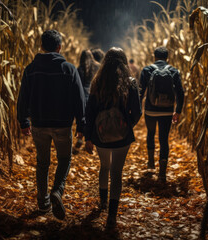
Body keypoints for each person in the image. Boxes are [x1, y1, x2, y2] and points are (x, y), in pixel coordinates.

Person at [17, 30, 85, 219]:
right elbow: (79, 99)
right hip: (63, 125)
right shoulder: (69, 69)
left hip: (39, 124)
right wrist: (81, 124)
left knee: (42, 163)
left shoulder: (31, 69)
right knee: (64, 159)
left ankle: (43, 202)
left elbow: (23, 98)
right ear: (59, 47)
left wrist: (23, 120)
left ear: (41, 47)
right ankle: (57, 190)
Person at [84, 47, 142, 228]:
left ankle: (102, 203)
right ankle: (112, 215)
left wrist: (88, 137)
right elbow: (137, 112)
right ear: (124, 62)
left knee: (105, 167)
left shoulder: (97, 82)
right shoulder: (130, 82)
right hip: (122, 137)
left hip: (100, 135)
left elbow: (90, 111)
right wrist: (127, 125)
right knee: (117, 172)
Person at [139, 46, 184, 182]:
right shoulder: (174, 71)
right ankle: (162, 173)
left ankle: (151, 163)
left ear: (154, 57)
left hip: (150, 110)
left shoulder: (147, 70)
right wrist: (178, 111)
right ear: (167, 58)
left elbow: (141, 91)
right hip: (167, 110)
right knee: (164, 139)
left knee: (150, 134)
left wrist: (137, 109)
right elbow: (180, 93)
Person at [73, 50, 100, 153]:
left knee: (82, 119)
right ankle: (91, 142)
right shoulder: (98, 67)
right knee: (93, 118)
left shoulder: (79, 69)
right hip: (94, 95)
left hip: (83, 96)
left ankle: (80, 139)